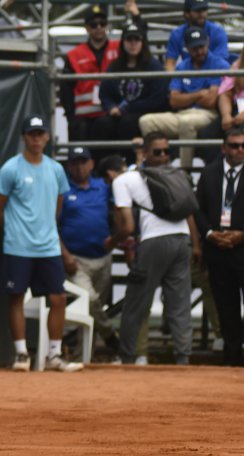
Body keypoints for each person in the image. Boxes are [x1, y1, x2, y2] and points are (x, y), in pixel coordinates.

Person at [0, 114, 83, 373]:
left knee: (59, 298)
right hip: (18, 247)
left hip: (48, 247)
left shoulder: (55, 169)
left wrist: (45, 230)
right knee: (16, 297)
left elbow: (57, 206)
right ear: (24, 138)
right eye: (32, 134)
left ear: (47, 137)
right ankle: (21, 354)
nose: (36, 139)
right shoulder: (11, 169)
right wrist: (15, 233)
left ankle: (53, 355)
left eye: (41, 133)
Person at [102, 131, 201, 365]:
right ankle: (183, 359)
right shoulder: (179, 175)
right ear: (145, 153)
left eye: (167, 151)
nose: (164, 155)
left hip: (153, 243)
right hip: (182, 241)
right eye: (159, 151)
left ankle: (126, 356)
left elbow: (127, 226)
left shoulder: (123, 180)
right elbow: (189, 214)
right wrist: (196, 245)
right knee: (179, 304)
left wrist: (111, 242)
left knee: (136, 303)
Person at [59, 147, 120, 358]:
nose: (79, 166)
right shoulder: (62, 189)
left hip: (103, 258)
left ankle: (83, 356)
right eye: (75, 162)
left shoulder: (103, 187)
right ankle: (111, 335)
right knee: (91, 300)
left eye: (83, 161)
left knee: (93, 309)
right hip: (76, 260)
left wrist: (119, 240)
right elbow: (51, 224)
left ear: (91, 164)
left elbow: (121, 210)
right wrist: (65, 255)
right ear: (68, 166)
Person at [139, 26, 229, 169]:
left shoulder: (219, 64)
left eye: (201, 46)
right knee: (146, 121)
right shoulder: (182, 66)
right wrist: (199, 94)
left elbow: (211, 101)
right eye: (195, 48)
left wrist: (185, 97)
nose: (199, 51)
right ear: (186, 48)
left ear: (207, 42)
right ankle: (157, 168)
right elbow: (174, 101)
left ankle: (184, 172)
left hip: (207, 114)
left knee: (187, 123)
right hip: (181, 114)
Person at [195, 128, 244, 365]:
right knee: (226, 308)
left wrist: (242, 235)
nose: (240, 149)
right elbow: (199, 209)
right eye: (234, 145)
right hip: (217, 251)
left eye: (243, 145)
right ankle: (233, 361)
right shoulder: (209, 173)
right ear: (224, 148)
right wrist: (209, 234)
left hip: (243, 248)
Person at [96, 20, 169, 164]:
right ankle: (102, 167)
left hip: (143, 112)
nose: (133, 43)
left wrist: (127, 108)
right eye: (129, 39)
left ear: (143, 43)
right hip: (119, 112)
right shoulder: (115, 66)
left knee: (127, 123)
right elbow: (104, 93)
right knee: (101, 124)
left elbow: (158, 99)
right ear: (123, 43)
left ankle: (129, 164)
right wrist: (110, 107)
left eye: (137, 39)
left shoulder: (153, 66)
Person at [59, 4, 120, 142]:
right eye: (93, 24)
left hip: (111, 115)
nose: (98, 27)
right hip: (83, 119)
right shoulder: (74, 55)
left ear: (107, 26)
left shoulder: (119, 49)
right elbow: (66, 91)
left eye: (102, 23)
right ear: (86, 28)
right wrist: (71, 118)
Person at [164, 0, 231, 72]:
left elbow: (220, 64)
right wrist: (174, 81)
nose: (201, 13)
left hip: (213, 76)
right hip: (188, 77)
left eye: (204, 9)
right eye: (197, 10)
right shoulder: (177, 33)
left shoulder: (218, 32)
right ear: (187, 13)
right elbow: (170, 64)